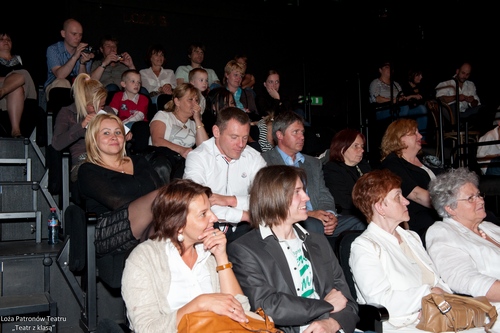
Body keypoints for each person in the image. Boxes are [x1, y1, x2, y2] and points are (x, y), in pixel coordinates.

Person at [228, 165, 360, 333]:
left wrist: (332, 324)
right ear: (275, 197)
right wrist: (326, 305)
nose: (306, 197)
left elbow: (346, 299)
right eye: (297, 192)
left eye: (303, 190)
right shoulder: (245, 250)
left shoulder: (318, 241)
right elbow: (267, 306)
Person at [121, 178, 250, 332]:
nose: (214, 218)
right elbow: (146, 328)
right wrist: (199, 304)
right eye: (203, 214)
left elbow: (243, 310)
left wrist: (221, 257)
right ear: (178, 224)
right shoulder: (144, 259)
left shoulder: (209, 253)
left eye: (211, 210)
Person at [350, 168, 452, 332]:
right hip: (401, 326)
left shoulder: (411, 237)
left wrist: (445, 300)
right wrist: (428, 296)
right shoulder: (364, 246)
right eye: (398, 197)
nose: (406, 202)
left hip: (437, 318)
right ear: (380, 208)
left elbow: (437, 281)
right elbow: (380, 301)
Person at [262, 112, 366, 244]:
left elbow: (323, 194)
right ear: (280, 135)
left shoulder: (313, 163)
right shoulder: (265, 161)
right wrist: (311, 214)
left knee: (359, 223)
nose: (301, 137)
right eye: (295, 132)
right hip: (289, 219)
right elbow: (272, 199)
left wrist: (329, 215)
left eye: (302, 132)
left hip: (318, 217)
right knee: (313, 225)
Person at [77, 113, 162, 256]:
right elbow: (118, 203)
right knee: (164, 199)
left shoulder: (139, 161)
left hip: (151, 223)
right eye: (106, 133)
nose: (114, 137)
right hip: (109, 231)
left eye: (118, 132)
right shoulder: (88, 170)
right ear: (93, 139)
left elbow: (160, 188)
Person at [183, 107, 267, 243]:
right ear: (216, 131)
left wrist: (231, 200)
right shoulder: (198, 157)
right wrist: (245, 215)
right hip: (207, 230)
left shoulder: (254, 157)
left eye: (245, 138)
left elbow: (266, 199)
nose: (241, 144)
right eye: (234, 137)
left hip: (244, 230)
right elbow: (195, 203)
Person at [427, 167, 500, 304]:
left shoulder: (488, 227)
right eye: (471, 198)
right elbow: (465, 279)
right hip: (491, 311)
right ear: (450, 208)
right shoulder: (442, 232)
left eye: (478, 195)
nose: (480, 201)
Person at [379, 118, 442, 242]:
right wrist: (450, 204)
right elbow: (416, 194)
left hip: (441, 212)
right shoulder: (392, 164)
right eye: (414, 133)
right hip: (421, 218)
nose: (420, 136)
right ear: (399, 138)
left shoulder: (425, 159)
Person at [52, 73, 116, 183]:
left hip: (109, 158)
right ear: (83, 101)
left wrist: (123, 134)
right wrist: (81, 126)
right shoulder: (67, 113)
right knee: (95, 174)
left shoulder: (107, 110)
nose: (99, 109)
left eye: (102, 105)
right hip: (84, 161)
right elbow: (57, 144)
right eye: (95, 106)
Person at [148, 83, 208, 184]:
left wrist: (197, 119)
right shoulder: (163, 116)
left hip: (182, 163)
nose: (195, 104)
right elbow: (157, 141)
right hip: (161, 159)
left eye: (196, 100)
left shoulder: (194, 124)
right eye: (190, 100)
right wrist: (181, 150)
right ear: (177, 101)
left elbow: (205, 147)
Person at [369, 61, 428, 140]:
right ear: (380, 70)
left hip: (398, 108)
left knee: (421, 109)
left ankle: (421, 139)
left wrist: (410, 97)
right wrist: (394, 100)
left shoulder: (396, 84)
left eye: (391, 68)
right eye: (386, 67)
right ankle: (400, 137)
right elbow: (377, 99)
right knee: (404, 108)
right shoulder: (375, 82)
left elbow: (402, 97)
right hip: (382, 110)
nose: (389, 69)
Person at [323, 128, 371, 223]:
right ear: (341, 148)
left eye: (362, 146)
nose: (361, 150)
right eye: (356, 146)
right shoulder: (332, 169)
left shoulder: (364, 166)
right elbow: (345, 202)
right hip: (350, 216)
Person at [435, 61, 493, 135]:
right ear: (457, 71)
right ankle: (458, 126)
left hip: (465, 114)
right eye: (463, 73)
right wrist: (456, 97)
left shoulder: (470, 84)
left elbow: (476, 104)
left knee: (483, 109)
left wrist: (472, 101)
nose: (464, 76)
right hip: (451, 114)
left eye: (467, 74)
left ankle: (487, 136)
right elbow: (440, 99)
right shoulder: (446, 83)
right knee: (453, 106)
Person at [44, 18, 94, 102]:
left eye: (80, 35)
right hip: (54, 87)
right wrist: (75, 57)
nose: (78, 38)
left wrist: (82, 63)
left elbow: (84, 81)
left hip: (75, 88)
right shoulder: (53, 49)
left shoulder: (85, 51)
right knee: (62, 82)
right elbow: (60, 75)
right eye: (74, 34)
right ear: (63, 34)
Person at [0, 30, 37, 138]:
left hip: (24, 96)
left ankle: (3, 91)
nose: (6, 41)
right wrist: (13, 80)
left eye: (8, 39)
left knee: (22, 76)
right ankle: (15, 130)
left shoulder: (21, 59)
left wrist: (8, 79)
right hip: (3, 102)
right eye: (2, 39)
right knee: (18, 83)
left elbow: (28, 78)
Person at [139, 43, 176, 108]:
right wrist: (160, 89)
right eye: (156, 55)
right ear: (150, 57)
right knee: (162, 98)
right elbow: (146, 88)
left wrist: (169, 87)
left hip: (169, 98)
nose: (160, 57)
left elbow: (175, 87)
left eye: (162, 55)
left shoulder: (170, 72)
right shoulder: (143, 72)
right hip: (152, 99)